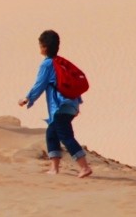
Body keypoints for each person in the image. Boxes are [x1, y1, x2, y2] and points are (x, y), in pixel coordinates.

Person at [19, 29, 92, 177]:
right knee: (51, 134)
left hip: (60, 107)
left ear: (44, 47)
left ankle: (84, 167)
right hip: (71, 105)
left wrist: (28, 98)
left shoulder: (47, 64)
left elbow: (39, 84)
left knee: (65, 136)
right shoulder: (61, 62)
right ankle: (54, 168)